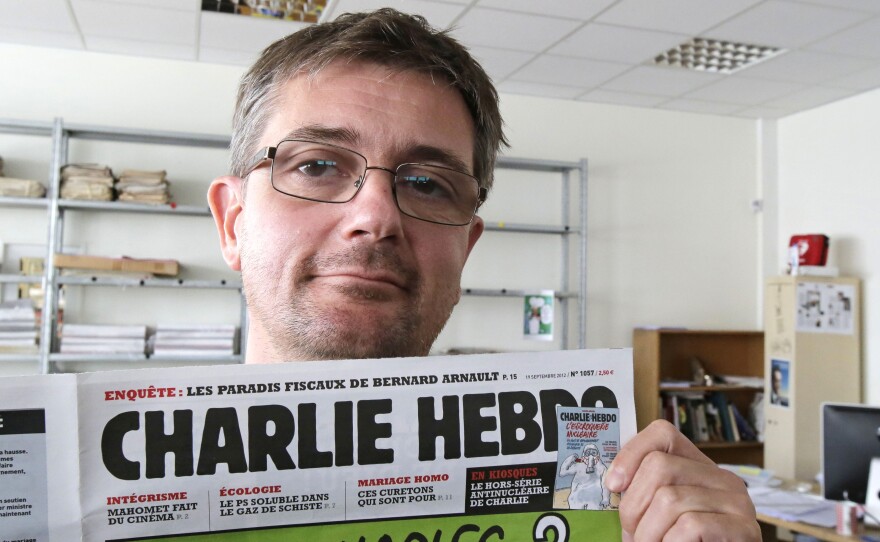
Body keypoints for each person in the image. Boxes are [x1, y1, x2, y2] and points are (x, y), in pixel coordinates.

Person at [207, 8, 759, 540]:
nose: (376, 217)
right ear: (234, 223)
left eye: (426, 183)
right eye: (318, 165)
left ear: (465, 248)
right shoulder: (119, 500)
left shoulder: (605, 513)